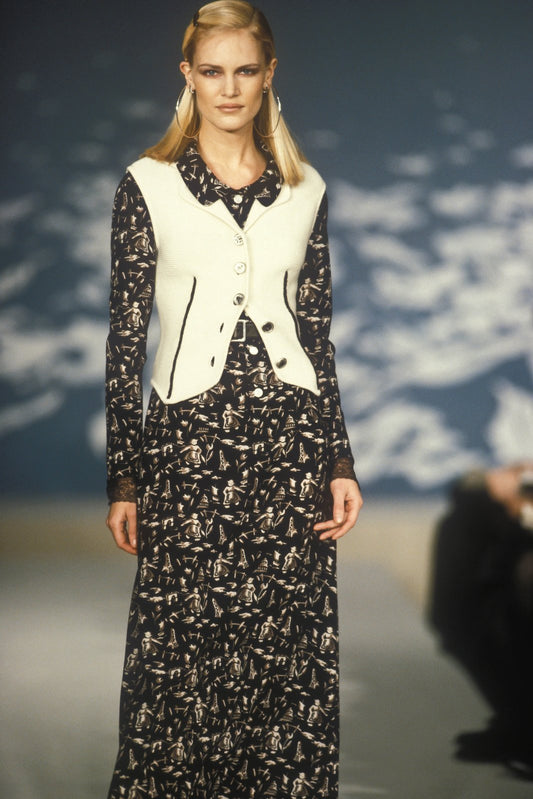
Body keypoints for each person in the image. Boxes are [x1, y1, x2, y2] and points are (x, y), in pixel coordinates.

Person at [105, 2, 363, 796]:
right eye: (212, 71)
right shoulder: (147, 184)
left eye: (244, 71)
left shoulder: (305, 189)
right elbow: (125, 339)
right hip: (188, 445)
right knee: (179, 651)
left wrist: (339, 461)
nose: (228, 88)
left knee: (286, 649)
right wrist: (124, 475)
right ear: (187, 76)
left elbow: (316, 336)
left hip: (289, 442)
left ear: (268, 75)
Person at [428, 463, 533, 781]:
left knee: (512, 685)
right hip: (480, 623)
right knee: (513, 680)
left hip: (476, 622)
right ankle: (516, 733)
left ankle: (514, 731)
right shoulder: (477, 517)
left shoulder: (470, 516)